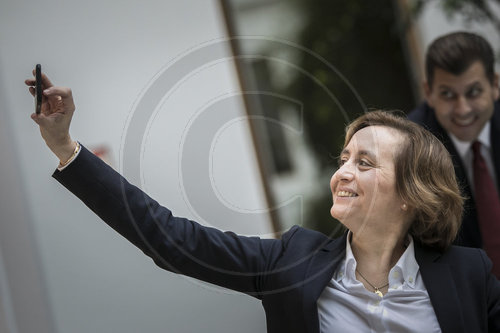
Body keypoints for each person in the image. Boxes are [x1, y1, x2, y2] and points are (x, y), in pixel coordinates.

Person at [26, 71, 500, 333]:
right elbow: (167, 237)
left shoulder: (471, 275)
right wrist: (68, 149)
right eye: (344, 159)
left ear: (412, 194)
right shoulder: (291, 261)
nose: (343, 173)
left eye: (366, 163)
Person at [408, 31, 500, 277]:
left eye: (473, 92)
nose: (462, 109)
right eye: (448, 94)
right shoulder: (413, 148)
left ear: (495, 85)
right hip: (467, 289)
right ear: (429, 93)